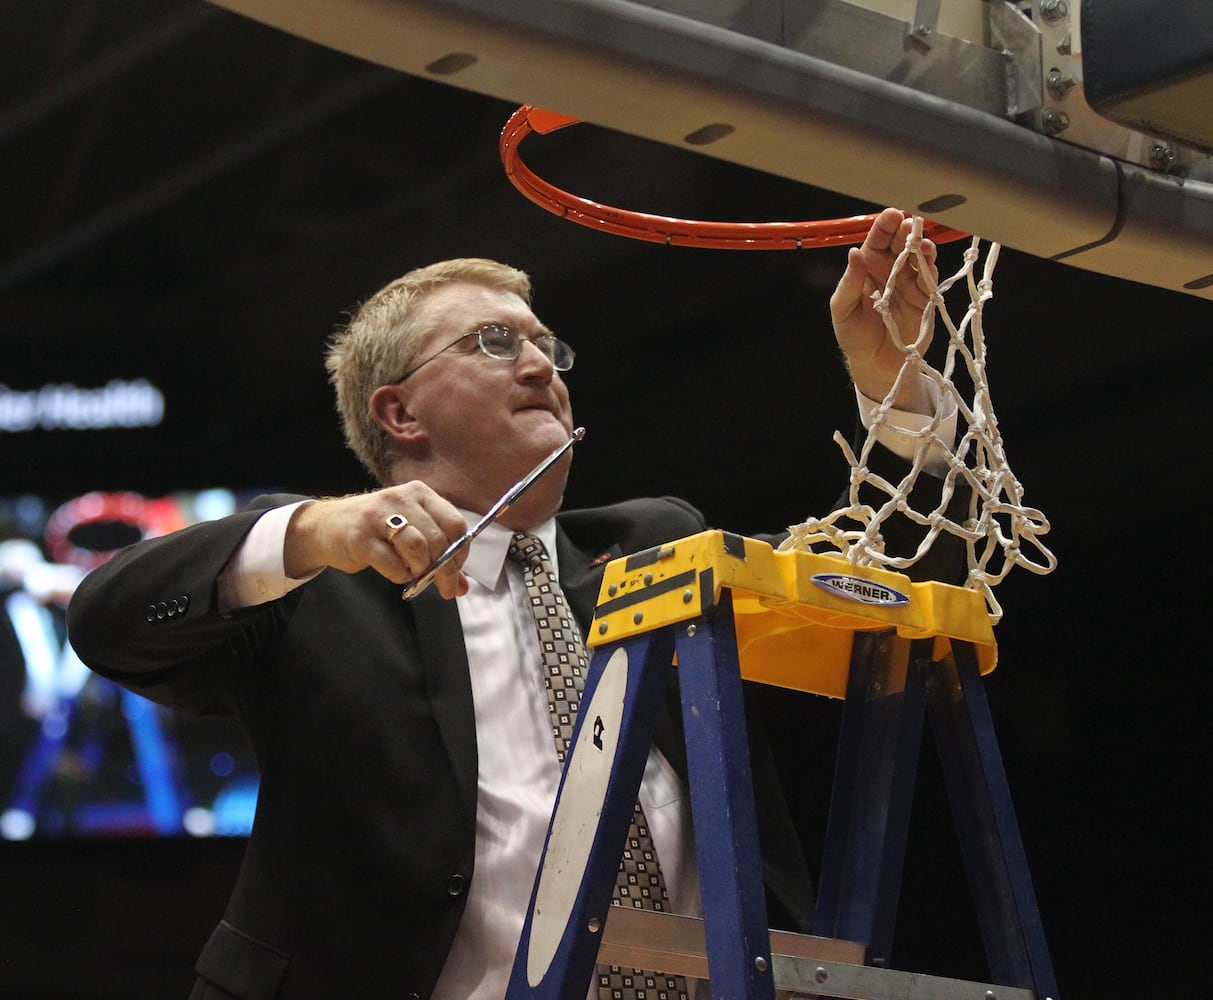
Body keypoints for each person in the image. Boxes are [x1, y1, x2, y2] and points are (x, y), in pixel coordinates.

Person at [67, 209, 958, 1000]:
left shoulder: (658, 540)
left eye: (546, 346)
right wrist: (312, 533)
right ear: (398, 412)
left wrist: (897, 388)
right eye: (494, 342)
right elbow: (106, 620)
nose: (538, 364)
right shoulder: (319, 580)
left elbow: (916, 592)